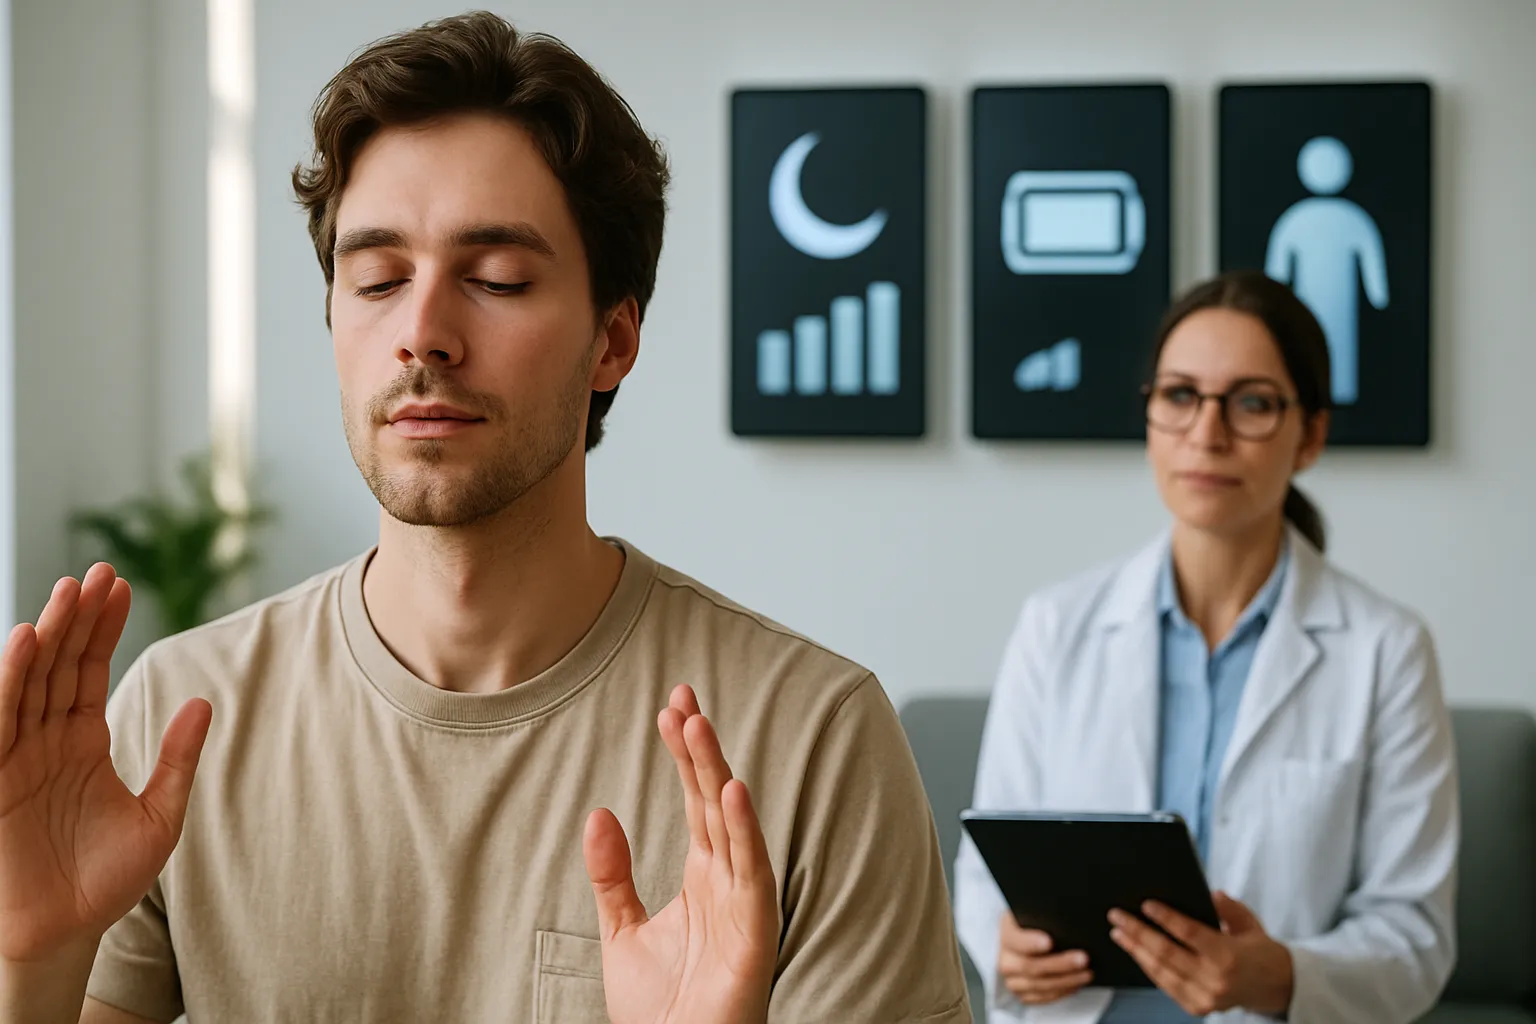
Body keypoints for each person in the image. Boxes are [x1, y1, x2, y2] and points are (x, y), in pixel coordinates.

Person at [0, 12, 971, 1023]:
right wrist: (31, 963)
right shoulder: (178, 722)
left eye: (496, 279)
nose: (422, 333)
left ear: (613, 340)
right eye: (376, 280)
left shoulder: (807, 742)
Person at [953, 269, 1458, 1023]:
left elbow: (1415, 935)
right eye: (1180, 396)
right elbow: (985, 870)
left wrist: (1277, 975)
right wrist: (1004, 943)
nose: (1208, 433)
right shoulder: (1055, 626)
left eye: (1252, 402)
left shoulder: (1387, 650)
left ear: (1310, 434)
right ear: (1151, 414)